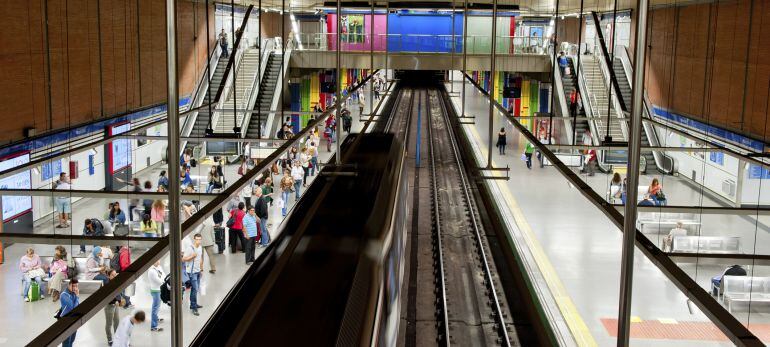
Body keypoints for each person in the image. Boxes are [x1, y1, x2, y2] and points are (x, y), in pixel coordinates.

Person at [183, 233, 204, 316]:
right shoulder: (190, 248)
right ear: (194, 239)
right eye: (197, 239)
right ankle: (194, 307)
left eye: (199, 239)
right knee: (194, 289)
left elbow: (200, 258)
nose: (198, 241)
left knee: (196, 289)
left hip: (198, 271)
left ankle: (193, 304)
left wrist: (201, 269)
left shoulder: (200, 247)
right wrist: (192, 256)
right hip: (192, 273)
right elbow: (184, 259)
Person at [104, 269, 125, 345]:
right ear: (109, 276)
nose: (115, 276)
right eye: (112, 275)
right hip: (109, 306)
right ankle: (110, 340)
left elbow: (118, 293)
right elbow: (106, 297)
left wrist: (119, 300)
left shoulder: (116, 282)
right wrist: (115, 301)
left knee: (117, 322)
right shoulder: (107, 284)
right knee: (109, 324)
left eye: (115, 274)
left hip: (116, 306)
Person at [59, 279, 80, 347]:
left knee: (72, 340)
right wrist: (77, 296)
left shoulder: (73, 293)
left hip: (73, 320)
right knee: (66, 341)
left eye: (76, 286)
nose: (75, 288)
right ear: (69, 285)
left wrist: (76, 296)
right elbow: (73, 309)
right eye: (73, 286)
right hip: (65, 321)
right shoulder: (64, 295)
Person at [148, 260, 165, 332]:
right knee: (155, 307)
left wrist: (162, 278)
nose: (158, 261)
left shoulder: (159, 267)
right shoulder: (151, 271)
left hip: (159, 290)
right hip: (155, 291)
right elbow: (160, 281)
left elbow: (164, 275)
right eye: (156, 260)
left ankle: (156, 318)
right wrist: (162, 279)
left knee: (157, 307)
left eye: (159, 260)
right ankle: (153, 326)